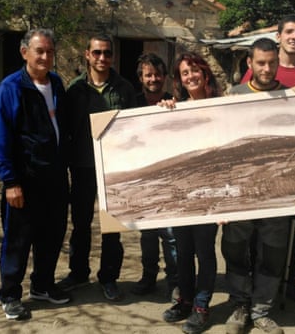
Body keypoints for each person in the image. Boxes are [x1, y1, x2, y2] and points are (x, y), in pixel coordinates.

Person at [0, 28, 70, 320]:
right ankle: (10, 294)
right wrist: (10, 182)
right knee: (18, 239)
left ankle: (43, 285)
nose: (46, 57)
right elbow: (0, 138)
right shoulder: (12, 88)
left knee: (52, 235)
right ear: (25, 53)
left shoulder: (57, 83)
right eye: (40, 51)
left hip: (56, 178)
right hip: (25, 179)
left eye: (50, 51)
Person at [241, 15, 295, 304]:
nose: (294, 37)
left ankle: (290, 281)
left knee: (293, 229)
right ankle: (256, 289)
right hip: (263, 162)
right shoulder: (258, 72)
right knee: (260, 234)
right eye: (289, 32)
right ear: (279, 36)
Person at [57, 34, 137, 301]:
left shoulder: (124, 89)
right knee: (80, 224)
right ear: (87, 55)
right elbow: (65, 129)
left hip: (113, 169)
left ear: (112, 56)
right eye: (97, 53)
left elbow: (134, 129)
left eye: (107, 53)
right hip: (81, 167)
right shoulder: (74, 90)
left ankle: (109, 277)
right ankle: (78, 272)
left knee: (112, 226)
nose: (102, 58)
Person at [223, 38, 290, 334]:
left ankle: (262, 310)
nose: (266, 68)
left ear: (278, 62)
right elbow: (222, 144)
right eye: (260, 62)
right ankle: (240, 306)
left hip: (278, 192)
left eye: (271, 62)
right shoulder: (234, 96)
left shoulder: (292, 98)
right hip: (240, 192)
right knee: (236, 249)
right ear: (249, 63)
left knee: (273, 252)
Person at [160, 52, 222, 334]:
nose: (191, 76)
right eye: (185, 73)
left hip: (210, 193)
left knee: (205, 251)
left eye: (194, 70)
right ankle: (185, 299)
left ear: (205, 72)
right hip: (182, 194)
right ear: (180, 80)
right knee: (183, 251)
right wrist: (164, 109)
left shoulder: (221, 108)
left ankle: (201, 305)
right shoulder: (177, 108)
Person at [131, 53, 178, 298]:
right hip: (143, 178)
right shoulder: (132, 104)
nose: (154, 79)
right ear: (141, 78)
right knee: (147, 233)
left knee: (170, 235)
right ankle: (149, 277)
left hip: (170, 178)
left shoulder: (174, 102)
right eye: (148, 75)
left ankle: (175, 281)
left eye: (158, 74)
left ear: (165, 77)